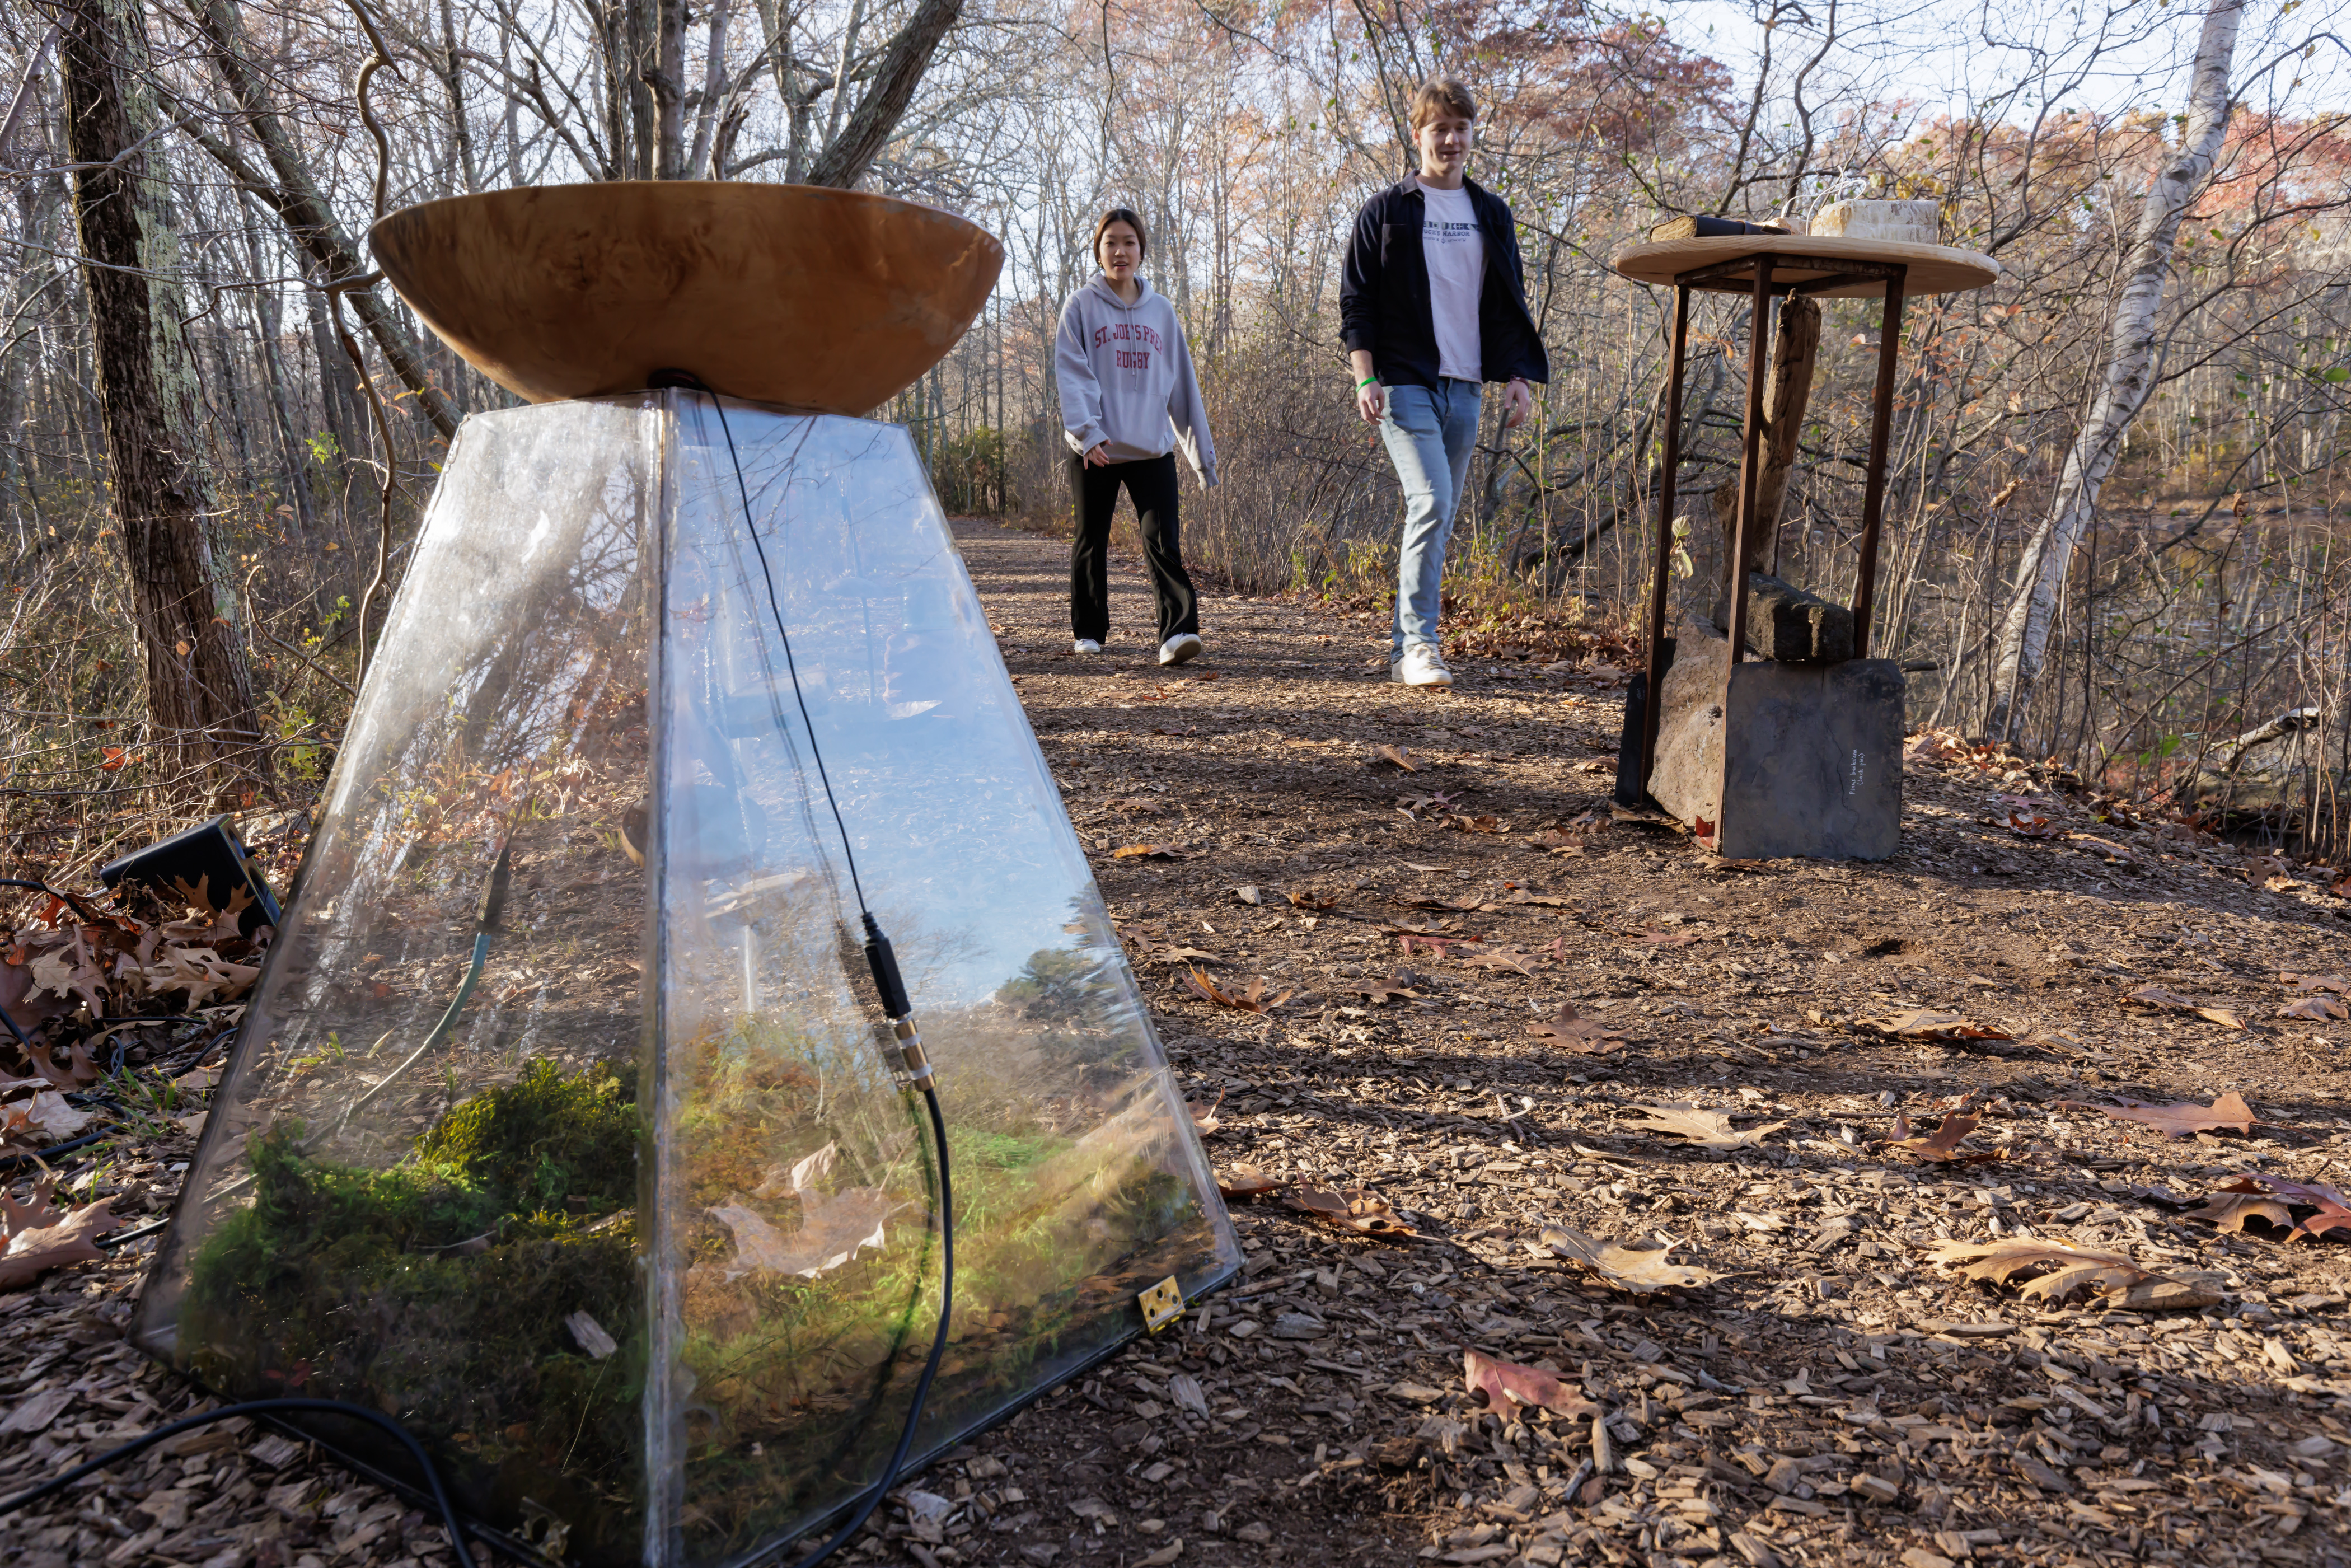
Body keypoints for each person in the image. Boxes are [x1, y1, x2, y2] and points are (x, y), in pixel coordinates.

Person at [1341, 76, 1549, 689]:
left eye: (1461, 129)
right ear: (1418, 135)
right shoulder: (1386, 211)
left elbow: (1509, 301)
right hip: (1405, 382)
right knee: (1430, 500)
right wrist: (1365, 377)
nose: (1452, 140)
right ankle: (1422, 646)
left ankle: (1405, 642)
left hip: (1466, 387)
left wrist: (1518, 376)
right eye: (1440, 130)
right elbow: (1357, 302)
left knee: (1440, 510)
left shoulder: (1490, 213)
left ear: (1471, 135)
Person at [1055, 208, 1218, 666]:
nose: (1120, 251)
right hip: (1097, 448)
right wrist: (1088, 432)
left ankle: (1178, 632)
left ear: (1141, 251)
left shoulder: (1162, 312)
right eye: (1111, 242)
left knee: (1163, 539)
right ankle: (1089, 630)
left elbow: (1182, 386)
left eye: (1129, 242)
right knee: (1092, 538)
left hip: (1150, 448)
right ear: (1099, 251)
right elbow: (1071, 373)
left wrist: (1200, 458)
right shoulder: (1080, 307)